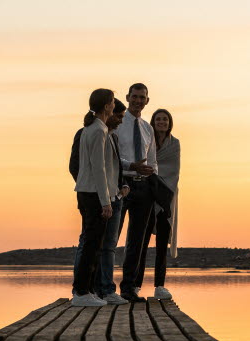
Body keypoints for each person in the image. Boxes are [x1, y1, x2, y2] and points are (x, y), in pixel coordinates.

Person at [69, 99, 129, 305]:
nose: (121, 120)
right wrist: (102, 198)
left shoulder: (106, 133)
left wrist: (118, 189)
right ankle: (82, 292)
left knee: (99, 244)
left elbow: (110, 168)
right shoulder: (95, 132)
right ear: (107, 108)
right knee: (90, 243)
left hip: (104, 194)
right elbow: (94, 169)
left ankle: (91, 290)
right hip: (93, 194)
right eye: (118, 115)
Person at [114, 83, 158, 302]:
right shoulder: (118, 125)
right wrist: (132, 166)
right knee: (111, 237)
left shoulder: (148, 129)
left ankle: (129, 288)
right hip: (122, 183)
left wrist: (154, 186)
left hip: (144, 187)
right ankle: (101, 286)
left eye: (142, 97)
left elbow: (153, 162)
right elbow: (111, 159)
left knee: (137, 241)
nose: (138, 101)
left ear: (147, 101)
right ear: (128, 97)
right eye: (135, 96)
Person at [135, 109, 180, 300]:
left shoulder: (175, 144)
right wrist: (149, 182)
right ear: (153, 122)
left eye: (165, 119)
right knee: (141, 243)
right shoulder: (146, 139)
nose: (162, 122)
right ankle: (135, 285)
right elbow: (144, 165)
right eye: (158, 119)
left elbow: (173, 171)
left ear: (170, 123)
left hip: (166, 196)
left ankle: (159, 286)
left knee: (161, 243)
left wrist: (157, 184)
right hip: (146, 195)